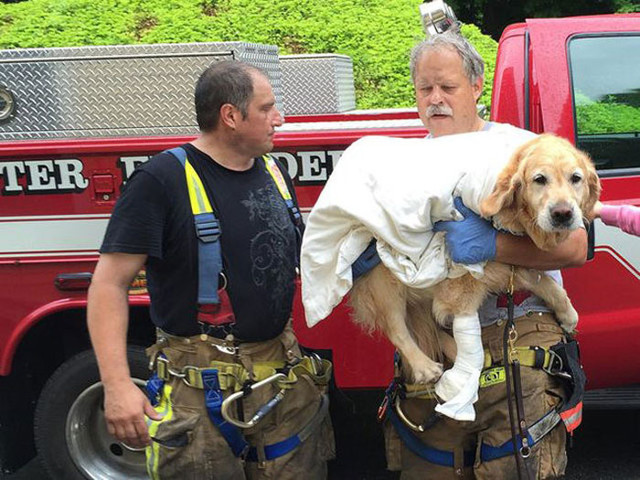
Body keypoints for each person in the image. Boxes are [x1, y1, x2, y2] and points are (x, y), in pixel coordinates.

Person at [87, 61, 334, 480]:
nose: (280, 119)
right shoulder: (162, 180)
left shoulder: (274, 172)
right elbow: (109, 284)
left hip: (282, 381)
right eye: (267, 108)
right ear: (231, 116)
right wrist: (116, 386)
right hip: (198, 393)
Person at [367, 30, 588, 480]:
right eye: (425, 88)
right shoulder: (398, 164)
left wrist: (490, 245)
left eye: (447, 87)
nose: (435, 99)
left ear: (477, 86)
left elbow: (576, 248)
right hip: (435, 339)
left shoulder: (525, 150)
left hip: (518, 334)